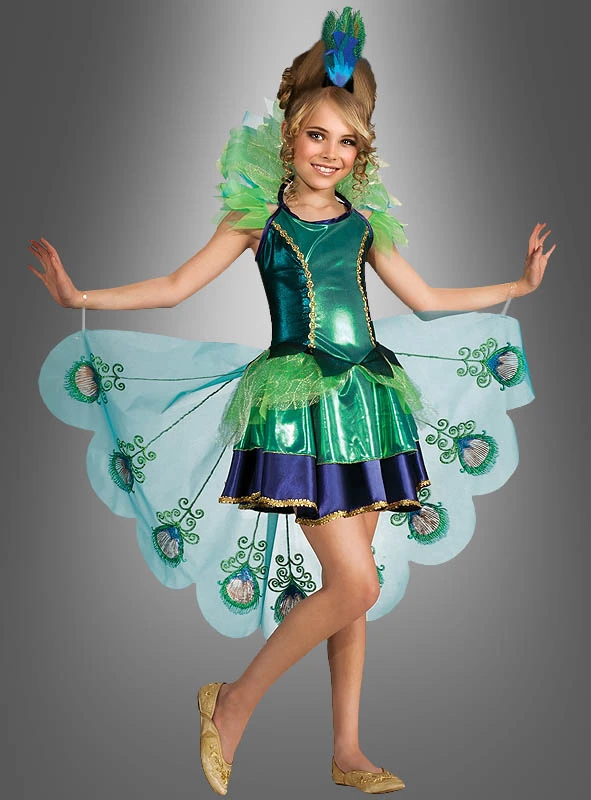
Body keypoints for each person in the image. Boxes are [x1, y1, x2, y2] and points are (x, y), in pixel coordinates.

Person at [28, 7, 554, 796]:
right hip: (297, 409)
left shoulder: (365, 224)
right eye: (317, 136)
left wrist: (517, 284)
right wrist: (81, 296)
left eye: (347, 142)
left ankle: (347, 749)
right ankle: (232, 702)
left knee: (355, 590)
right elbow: (174, 286)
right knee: (355, 583)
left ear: (361, 153)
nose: (330, 154)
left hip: (368, 403)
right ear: (289, 135)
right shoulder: (259, 221)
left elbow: (425, 297)